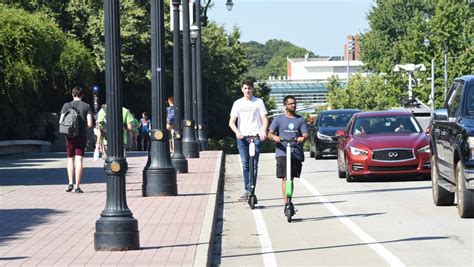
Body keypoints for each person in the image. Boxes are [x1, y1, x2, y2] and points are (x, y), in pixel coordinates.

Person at [229, 80, 268, 200]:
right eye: (245, 88)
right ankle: (247, 189)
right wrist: (238, 132)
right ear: (242, 89)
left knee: (254, 164)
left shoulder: (258, 102)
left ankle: (252, 189)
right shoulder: (237, 103)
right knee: (245, 164)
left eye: (249, 88)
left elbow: (265, 119)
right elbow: (231, 122)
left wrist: (263, 131)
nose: (248, 90)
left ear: (253, 89)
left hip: (255, 136)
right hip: (243, 137)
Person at [267, 95, 308, 213]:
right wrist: (275, 137)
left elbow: (305, 135)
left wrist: (302, 138)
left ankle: (290, 199)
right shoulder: (278, 119)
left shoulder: (300, 120)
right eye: (291, 104)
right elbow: (270, 134)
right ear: (285, 105)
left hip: (295, 152)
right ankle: (286, 203)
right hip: (282, 151)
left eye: (294, 103)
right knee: (285, 177)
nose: (293, 105)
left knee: (291, 178)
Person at [59, 86, 93, 193]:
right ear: (82, 95)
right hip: (81, 135)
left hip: (69, 136)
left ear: (72, 94)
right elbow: (90, 124)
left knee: (70, 159)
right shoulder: (86, 106)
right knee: (79, 160)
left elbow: (61, 121)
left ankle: (70, 183)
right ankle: (77, 186)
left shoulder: (66, 105)